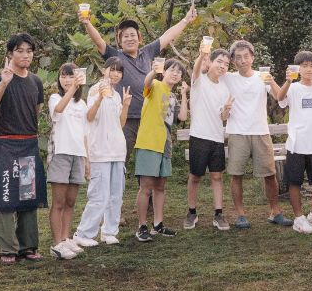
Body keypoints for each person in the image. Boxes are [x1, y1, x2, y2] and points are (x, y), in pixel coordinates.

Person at [80, 6, 196, 153]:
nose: (130, 39)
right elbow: (98, 41)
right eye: (125, 36)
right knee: (121, 155)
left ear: (139, 38)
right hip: (126, 118)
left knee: (148, 157)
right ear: (120, 41)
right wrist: (87, 23)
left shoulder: (147, 52)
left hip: (148, 118)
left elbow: (167, 36)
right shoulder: (116, 56)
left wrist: (186, 20)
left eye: (132, 35)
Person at [0, 33, 47, 265]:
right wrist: (4, 83)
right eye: (20, 51)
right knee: (5, 194)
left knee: (27, 195)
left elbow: (37, 110)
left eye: (29, 51)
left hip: (28, 143)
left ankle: (27, 246)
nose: (25, 55)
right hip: (6, 144)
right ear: (10, 54)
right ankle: (6, 248)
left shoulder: (36, 81)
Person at [222, 40, 291, 228]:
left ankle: (275, 212)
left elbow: (281, 98)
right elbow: (206, 72)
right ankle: (240, 215)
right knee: (236, 175)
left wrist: (272, 81)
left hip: (261, 131)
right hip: (237, 132)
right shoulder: (228, 78)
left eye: (246, 56)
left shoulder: (263, 76)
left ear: (252, 57)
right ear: (233, 61)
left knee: (269, 174)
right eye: (238, 57)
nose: (243, 60)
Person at [73, 58, 131, 247]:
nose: (115, 74)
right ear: (104, 70)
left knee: (115, 195)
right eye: (112, 70)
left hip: (117, 150)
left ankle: (109, 232)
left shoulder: (117, 95)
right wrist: (99, 98)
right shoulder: (95, 89)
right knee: (99, 195)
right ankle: (83, 233)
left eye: (119, 71)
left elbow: (120, 123)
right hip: (100, 151)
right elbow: (89, 117)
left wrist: (126, 105)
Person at [277, 51, 312, 234]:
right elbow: (280, 98)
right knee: (294, 181)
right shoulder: (293, 88)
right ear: (298, 68)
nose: (309, 69)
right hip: (297, 143)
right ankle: (299, 218)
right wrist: (288, 81)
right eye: (304, 66)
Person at [134, 58, 188, 242]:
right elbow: (146, 82)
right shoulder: (155, 85)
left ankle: (158, 225)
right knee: (146, 187)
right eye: (172, 70)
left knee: (160, 187)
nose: (175, 73)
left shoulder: (172, 97)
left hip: (165, 145)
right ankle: (142, 227)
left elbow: (182, 116)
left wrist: (184, 94)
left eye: (179, 72)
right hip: (149, 143)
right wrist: (154, 71)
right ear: (164, 72)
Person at [184, 47, 233, 230]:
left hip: (217, 138)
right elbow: (196, 70)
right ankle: (191, 212)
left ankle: (218, 214)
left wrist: (226, 110)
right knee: (195, 176)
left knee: (217, 176)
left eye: (226, 64)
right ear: (210, 62)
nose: (223, 66)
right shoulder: (199, 81)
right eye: (219, 61)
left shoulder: (225, 88)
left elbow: (223, 117)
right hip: (199, 136)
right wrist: (201, 56)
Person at [47, 63, 89, 260]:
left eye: (71, 76)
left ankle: (66, 238)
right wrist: (72, 89)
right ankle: (57, 243)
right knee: (59, 201)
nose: (66, 80)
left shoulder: (82, 104)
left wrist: (87, 160)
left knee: (71, 201)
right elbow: (58, 110)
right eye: (63, 76)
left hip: (78, 155)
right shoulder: (55, 98)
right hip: (60, 153)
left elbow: (85, 133)